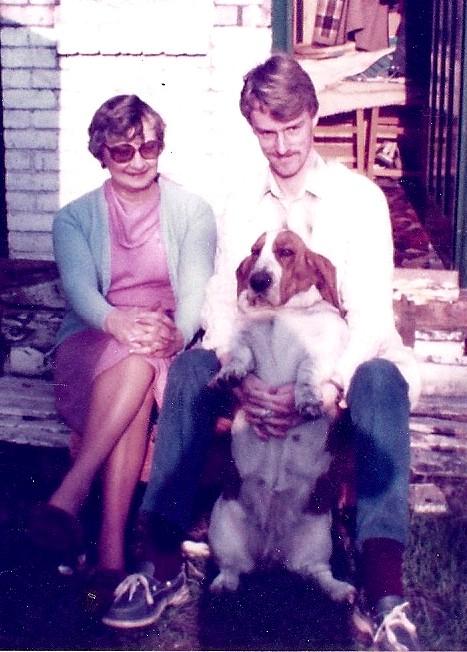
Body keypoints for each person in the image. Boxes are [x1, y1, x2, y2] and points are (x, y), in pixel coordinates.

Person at [102, 56, 421, 651]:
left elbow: (372, 317)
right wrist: (239, 381)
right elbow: (224, 303)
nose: (281, 145)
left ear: (313, 117)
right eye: (266, 132)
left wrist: (327, 388)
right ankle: (161, 564)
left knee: (382, 380)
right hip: (259, 369)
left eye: (291, 127)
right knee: (195, 364)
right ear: (253, 130)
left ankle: (383, 592)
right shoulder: (242, 201)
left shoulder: (360, 199)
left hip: (336, 370)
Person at [29, 94, 216, 605]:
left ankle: (78, 510)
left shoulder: (193, 212)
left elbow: (196, 291)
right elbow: (80, 291)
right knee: (133, 361)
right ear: (101, 154)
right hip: (92, 339)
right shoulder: (73, 218)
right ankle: (109, 547)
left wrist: (178, 331)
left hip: (162, 337)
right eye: (122, 151)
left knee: (139, 363)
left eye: (148, 148)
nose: (137, 161)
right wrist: (118, 321)